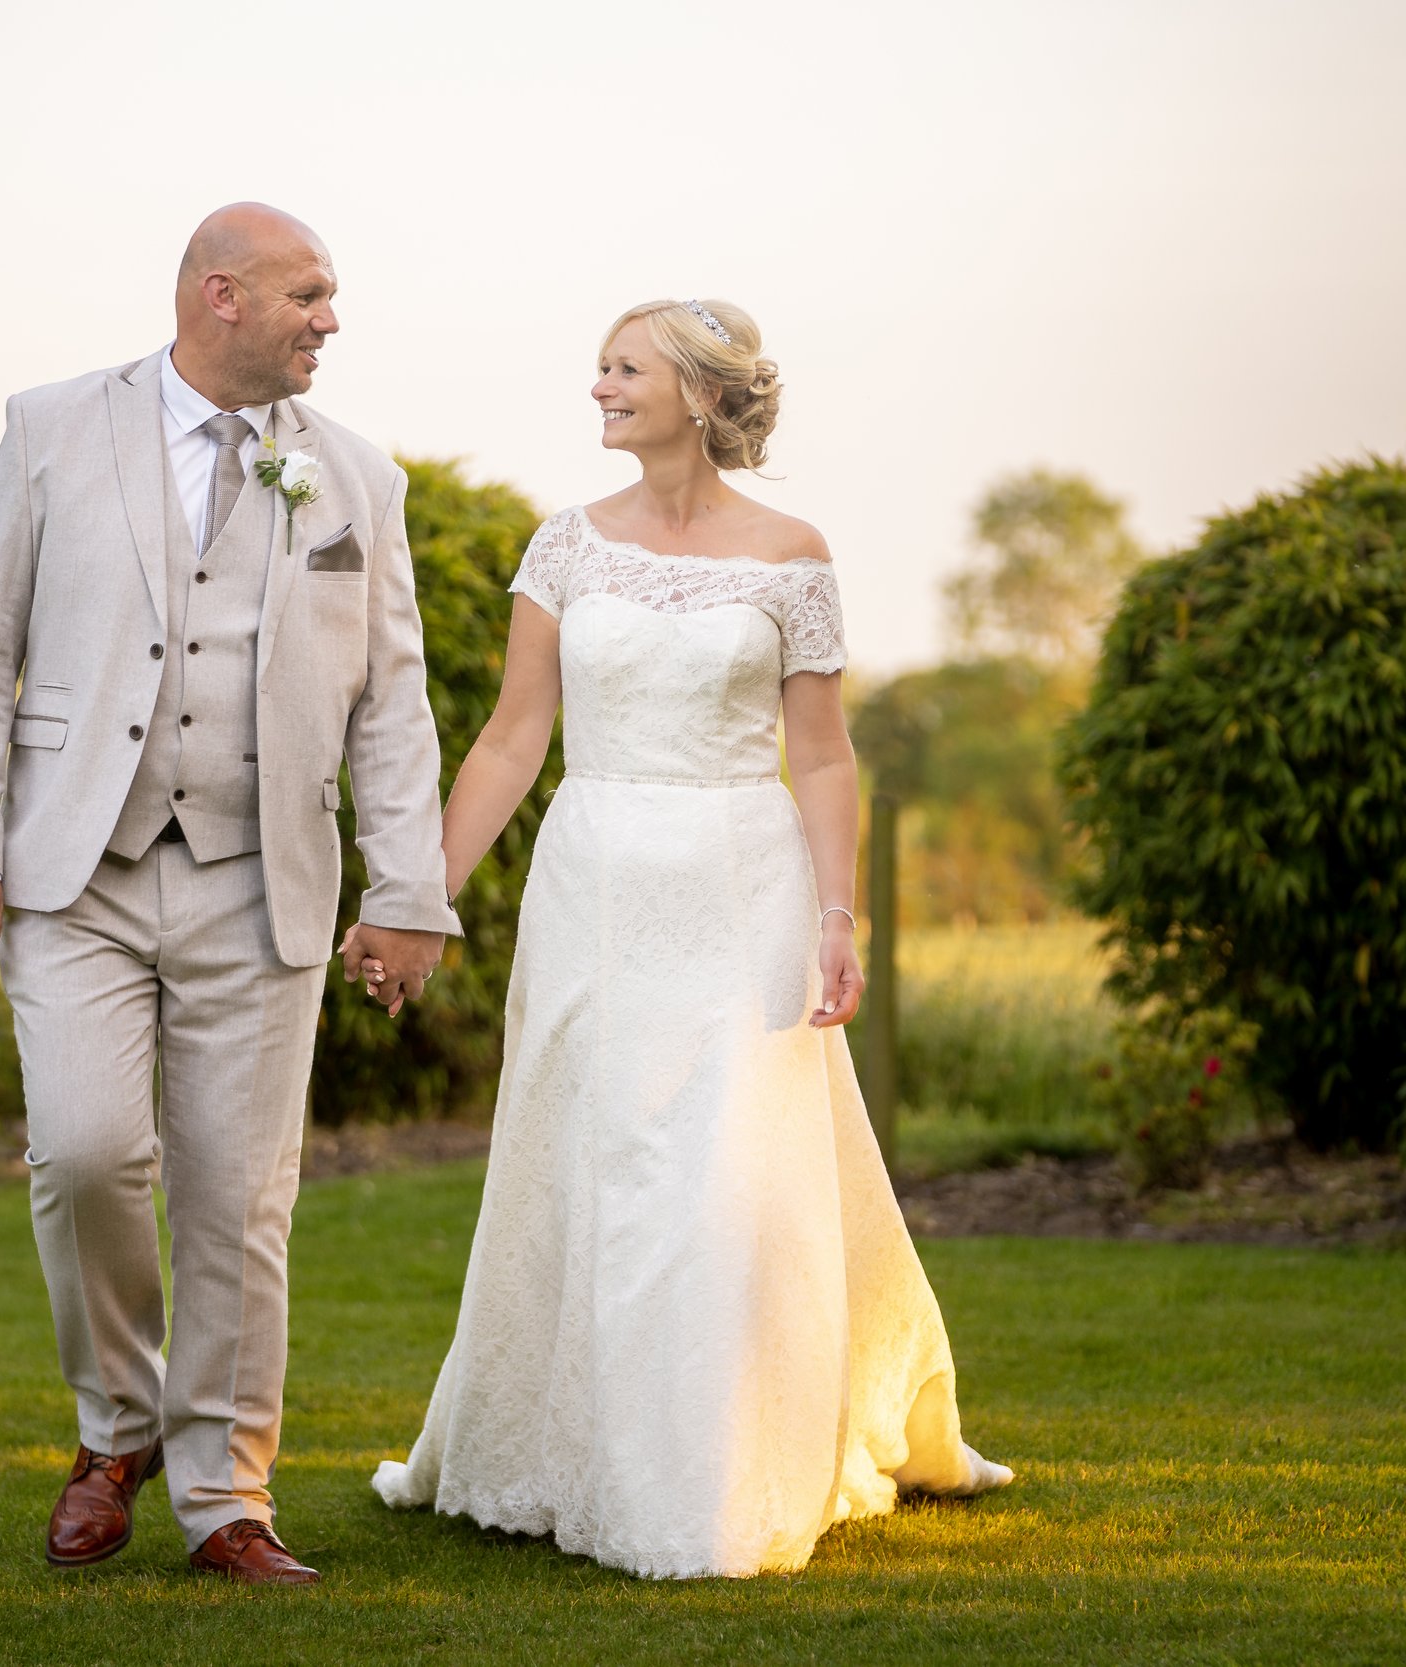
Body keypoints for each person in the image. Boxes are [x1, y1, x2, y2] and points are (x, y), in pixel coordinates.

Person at [367, 298, 1012, 1578]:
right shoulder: (564, 547)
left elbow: (821, 754)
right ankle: (571, 1452)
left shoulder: (792, 553)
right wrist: (417, 894)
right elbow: (510, 738)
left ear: (702, 397)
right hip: (596, 880)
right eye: (600, 367)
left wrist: (839, 913)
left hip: (740, 884)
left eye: (624, 368)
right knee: (597, 1164)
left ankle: (715, 1467)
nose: (597, 386)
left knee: (714, 1171)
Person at [0, 203, 456, 1587]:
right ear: (219, 294)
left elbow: (392, 702)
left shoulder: (358, 480)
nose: (330, 318)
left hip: (259, 874)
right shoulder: (49, 429)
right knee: (87, 1153)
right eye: (309, 293)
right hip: (71, 874)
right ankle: (117, 1426)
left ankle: (226, 1493)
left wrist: (409, 889)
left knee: (238, 1197)